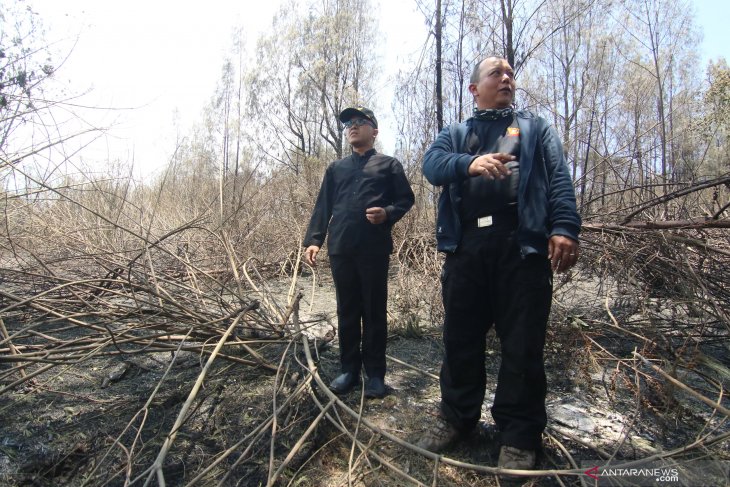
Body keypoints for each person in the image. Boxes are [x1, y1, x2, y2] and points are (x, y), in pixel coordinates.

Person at [418, 56, 581, 470]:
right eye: (496, 73)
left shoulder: (535, 128)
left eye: (509, 74)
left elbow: (559, 177)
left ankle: (519, 435)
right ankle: (458, 418)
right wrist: (469, 163)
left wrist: (564, 226)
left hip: (521, 247)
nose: (506, 78)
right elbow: (431, 167)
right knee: (460, 340)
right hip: (466, 248)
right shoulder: (456, 133)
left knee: (523, 345)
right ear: (474, 88)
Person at [303, 106, 415, 399]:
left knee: (374, 311)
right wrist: (314, 240)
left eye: (360, 122)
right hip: (341, 248)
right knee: (347, 311)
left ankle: (376, 375)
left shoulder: (388, 165)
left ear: (374, 130)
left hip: (373, 249)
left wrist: (388, 213)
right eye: (349, 123)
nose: (352, 126)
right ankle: (348, 370)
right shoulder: (336, 168)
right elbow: (323, 206)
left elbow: (406, 198)